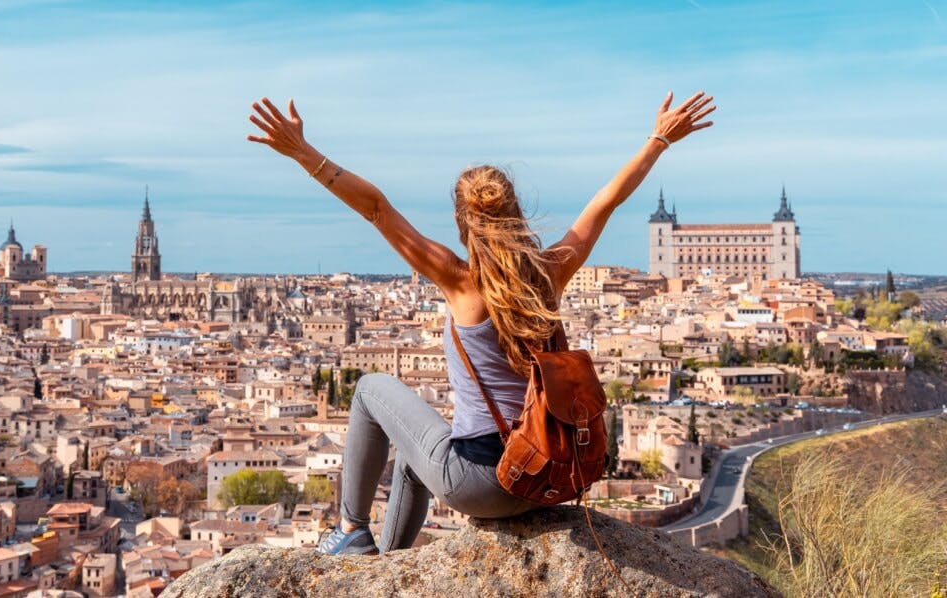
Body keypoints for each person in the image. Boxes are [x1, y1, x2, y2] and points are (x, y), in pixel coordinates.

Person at [246, 91, 715, 555]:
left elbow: (377, 209)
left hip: (481, 485)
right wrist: (658, 139)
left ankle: (351, 528)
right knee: (418, 456)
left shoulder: (460, 282)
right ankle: (385, 563)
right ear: (515, 213)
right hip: (540, 477)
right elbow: (604, 203)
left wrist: (303, 153)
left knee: (369, 387)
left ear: (461, 221)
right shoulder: (550, 273)